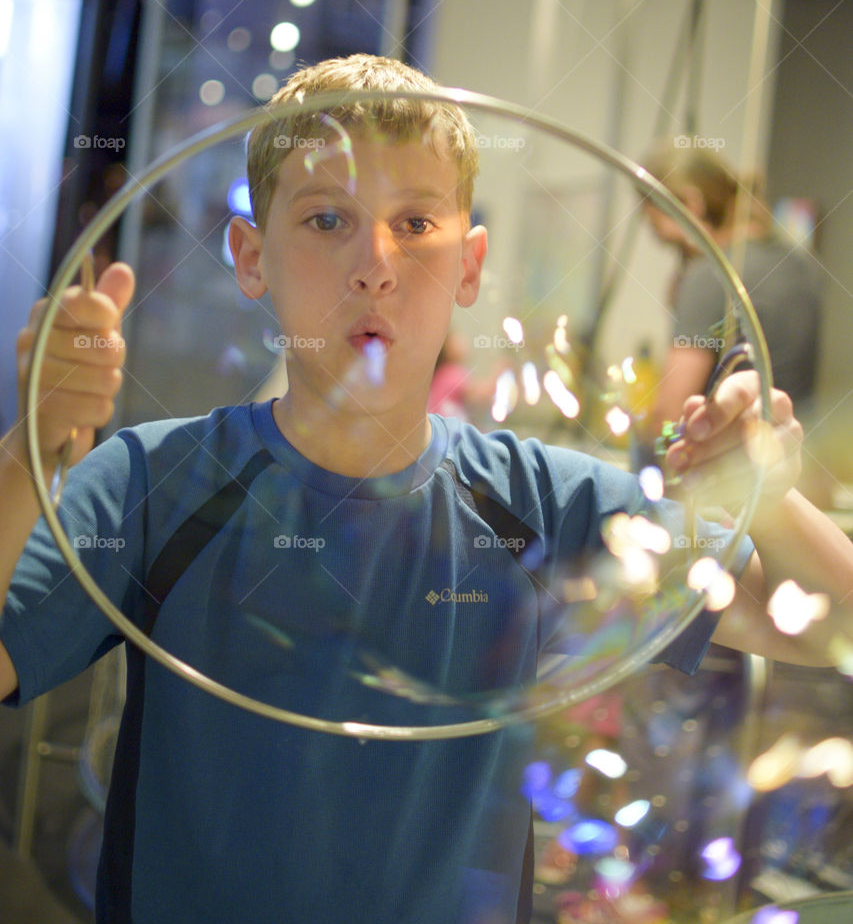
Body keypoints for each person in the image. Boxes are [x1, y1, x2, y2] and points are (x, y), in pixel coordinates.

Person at [1, 56, 851, 924]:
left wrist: (766, 491)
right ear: (251, 257)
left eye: (414, 222)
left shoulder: (545, 506)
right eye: (327, 219)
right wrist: (29, 455)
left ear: (470, 263)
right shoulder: (153, 484)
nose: (374, 265)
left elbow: (834, 627)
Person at [641, 140, 822, 440]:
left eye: (655, 224)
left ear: (690, 203)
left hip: (730, 475)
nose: (657, 237)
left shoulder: (711, 275)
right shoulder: (799, 265)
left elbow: (668, 418)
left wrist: (645, 450)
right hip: (795, 466)